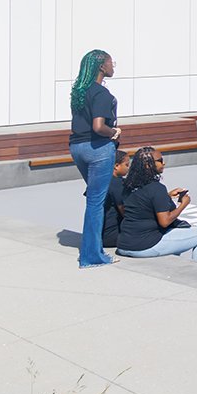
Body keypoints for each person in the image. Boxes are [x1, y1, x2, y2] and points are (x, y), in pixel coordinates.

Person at [69, 49, 122, 268]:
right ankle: (92, 256)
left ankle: (95, 247)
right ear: (102, 66)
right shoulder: (101, 94)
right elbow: (98, 127)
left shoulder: (79, 92)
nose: (113, 66)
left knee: (94, 199)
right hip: (98, 149)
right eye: (111, 63)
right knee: (95, 203)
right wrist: (115, 133)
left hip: (77, 147)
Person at [115, 147, 197, 262]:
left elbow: (142, 203)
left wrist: (167, 196)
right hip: (143, 247)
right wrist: (183, 204)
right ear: (148, 165)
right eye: (160, 160)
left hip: (123, 245)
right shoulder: (157, 188)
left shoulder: (127, 186)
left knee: (176, 236)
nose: (163, 163)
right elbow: (164, 221)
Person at [100, 150, 130, 249]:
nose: (128, 168)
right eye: (126, 165)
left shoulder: (99, 180)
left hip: (97, 236)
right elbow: (125, 212)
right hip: (111, 236)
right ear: (116, 166)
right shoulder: (117, 184)